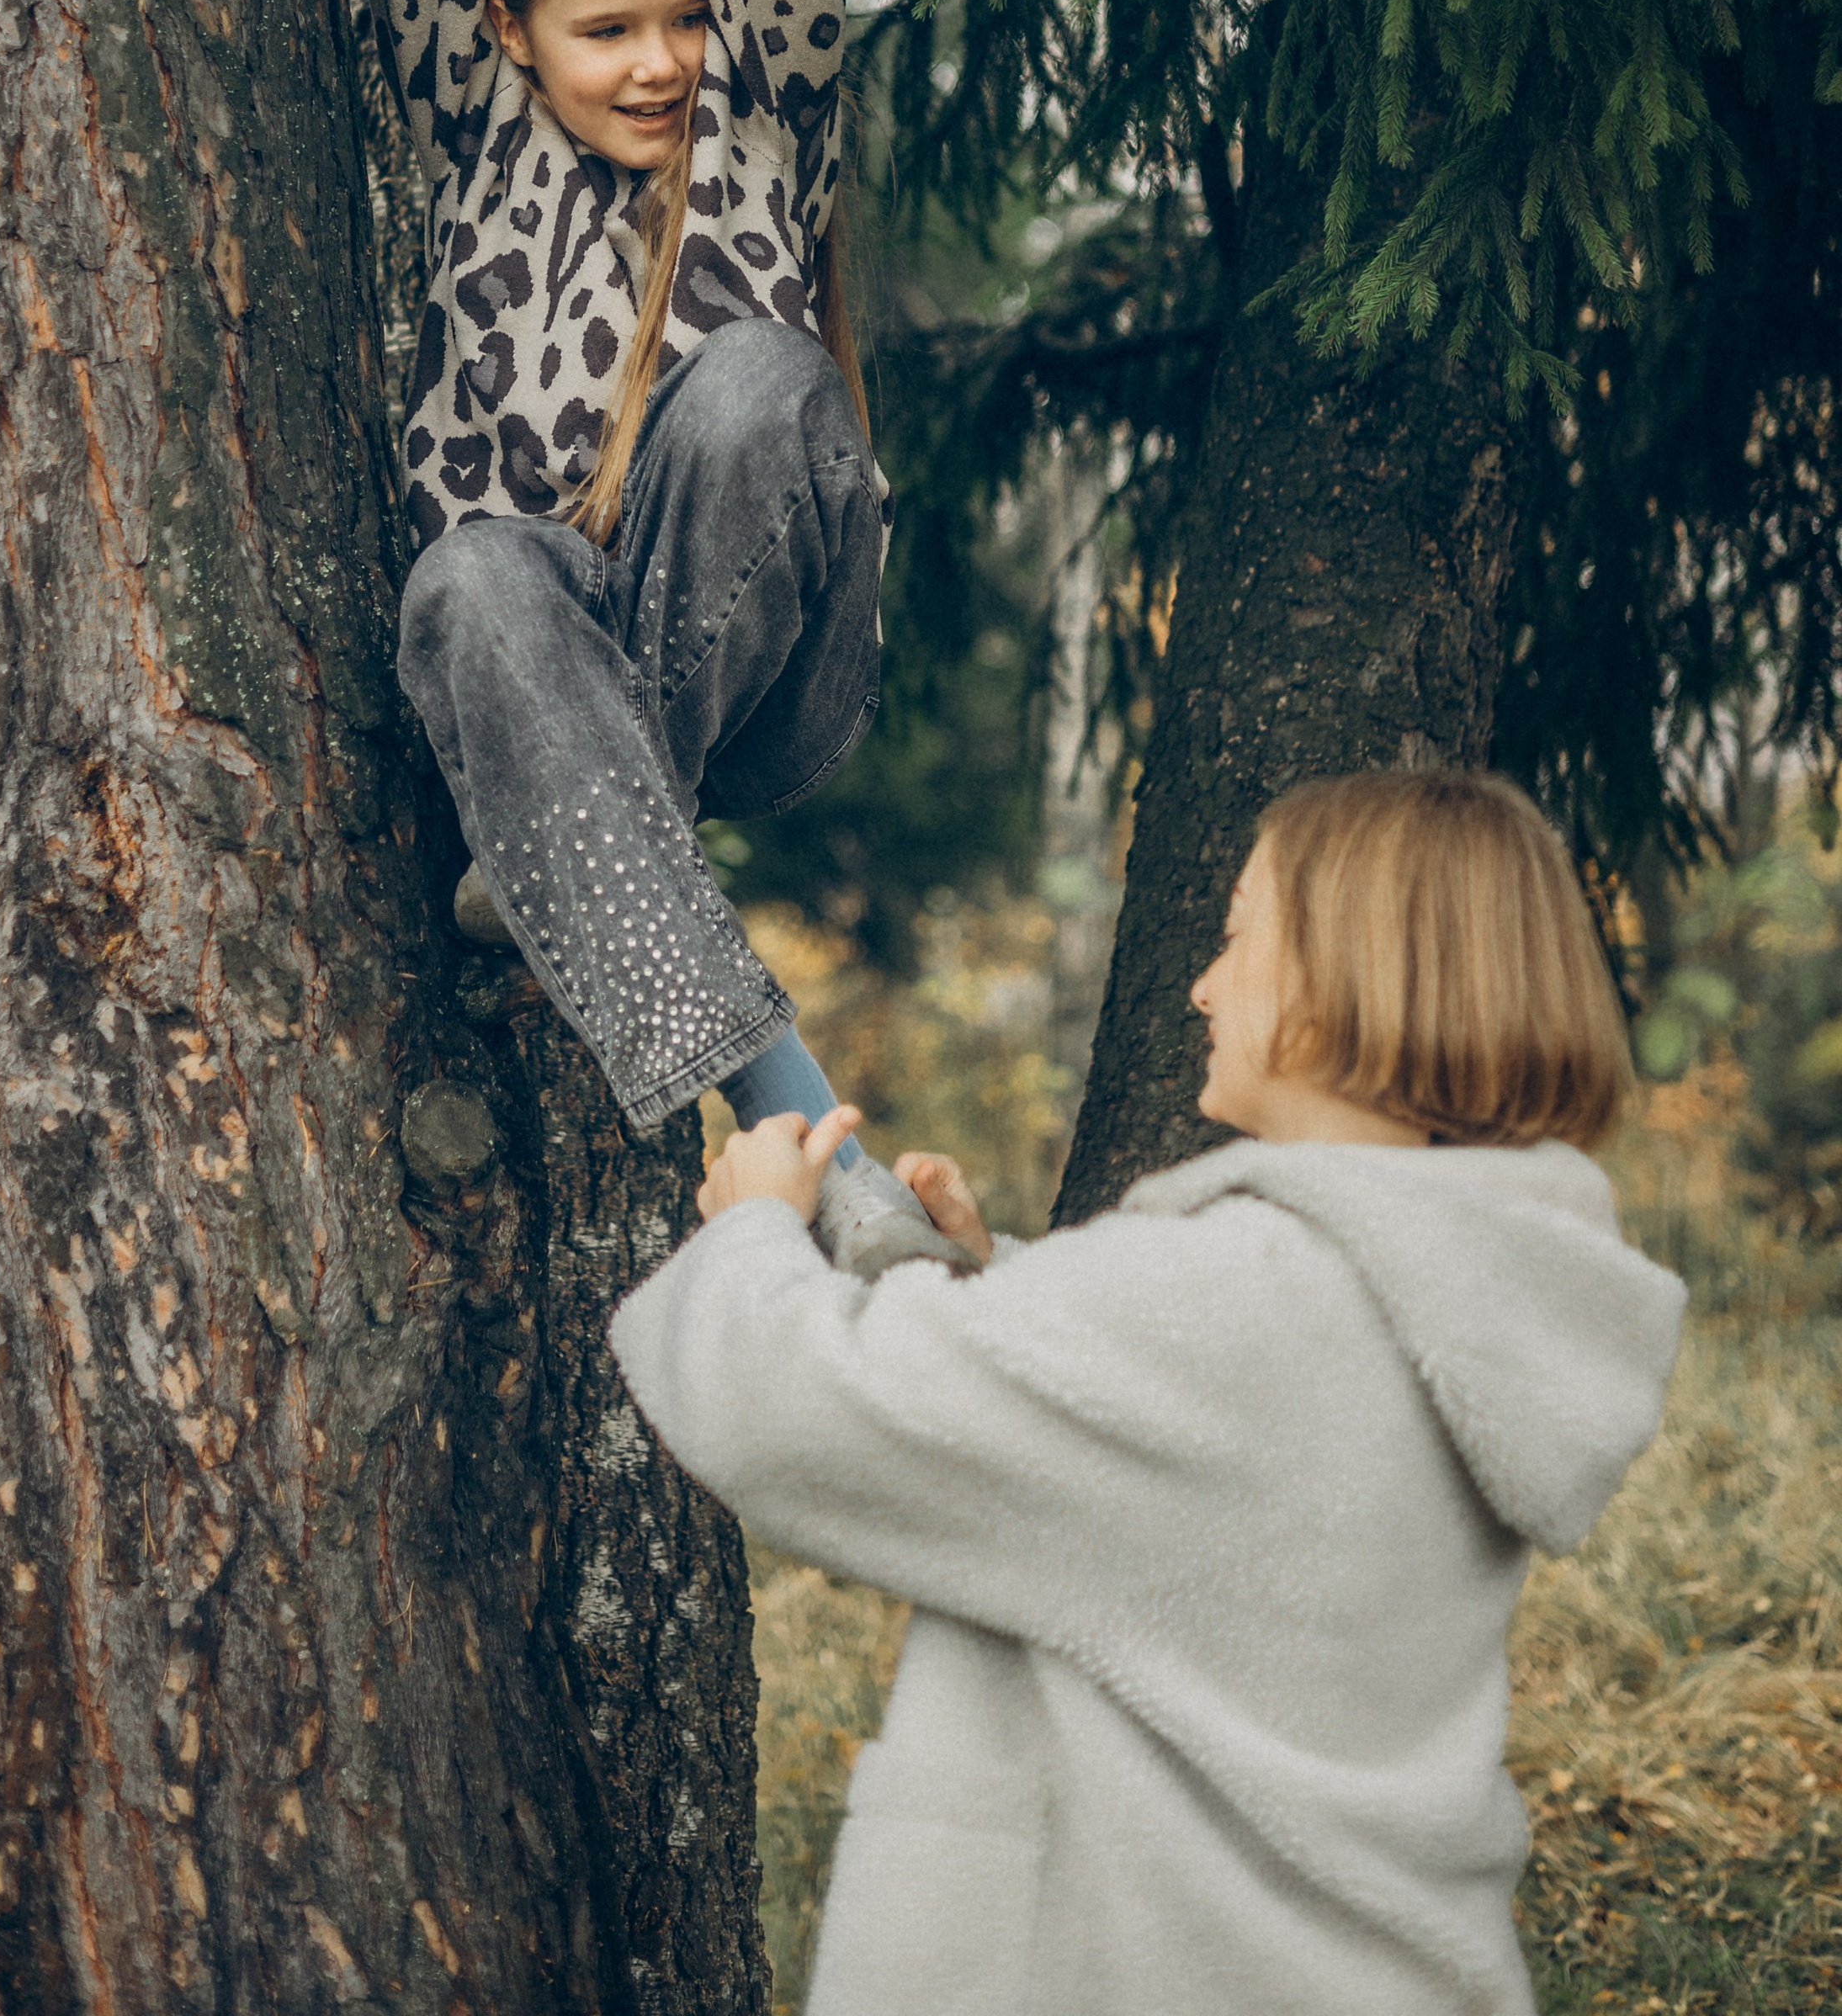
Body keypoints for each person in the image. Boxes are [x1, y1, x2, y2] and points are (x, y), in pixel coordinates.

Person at [612, 767, 1688, 2015]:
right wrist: (991, 1288)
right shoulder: (1452, 1290)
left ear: (1354, 976)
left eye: (1239, 937)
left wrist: (751, 1233)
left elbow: (800, 1410)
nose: (1203, 984)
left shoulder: (1246, 1299)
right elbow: (1176, 1473)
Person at [372, 0, 967, 1279]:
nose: (656, 61)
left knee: (762, 380)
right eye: (606, 27)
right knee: (469, 569)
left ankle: (581, 831)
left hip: (764, 680)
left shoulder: (762, 112)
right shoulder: (468, 125)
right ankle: (801, 1129)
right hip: (536, 657)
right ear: (508, 37)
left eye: (682, 18)